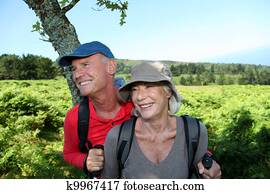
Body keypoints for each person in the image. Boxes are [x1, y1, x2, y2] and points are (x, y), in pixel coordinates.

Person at [58, 41, 221, 178]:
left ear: (111, 66)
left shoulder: (139, 104)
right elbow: (69, 153)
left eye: (85, 65)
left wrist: (205, 157)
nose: (77, 75)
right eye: (74, 69)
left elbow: (173, 131)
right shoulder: (76, 118)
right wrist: (86, 161)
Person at [101, 62, 214, 178]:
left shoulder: (195, 132)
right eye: (135, 89)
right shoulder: (117, 137)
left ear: (168, 92)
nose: (139, 97)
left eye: (149, 86)